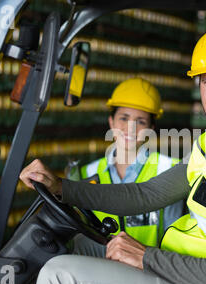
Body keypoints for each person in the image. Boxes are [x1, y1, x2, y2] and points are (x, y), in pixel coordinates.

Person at [20, 24, 206, 284]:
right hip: (185, 270)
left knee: (58, 276)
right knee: (78, 248)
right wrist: (61, 187)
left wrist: (146, 257)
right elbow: (146, 194)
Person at [66, 77, 184, 253]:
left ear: (151, 128)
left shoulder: (169, 170)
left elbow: (174, 239)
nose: (130, 128)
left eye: (140, 121)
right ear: (111, 122)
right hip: (97, 271)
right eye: (124, 118)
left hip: (148, 272)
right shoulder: (87, 174)